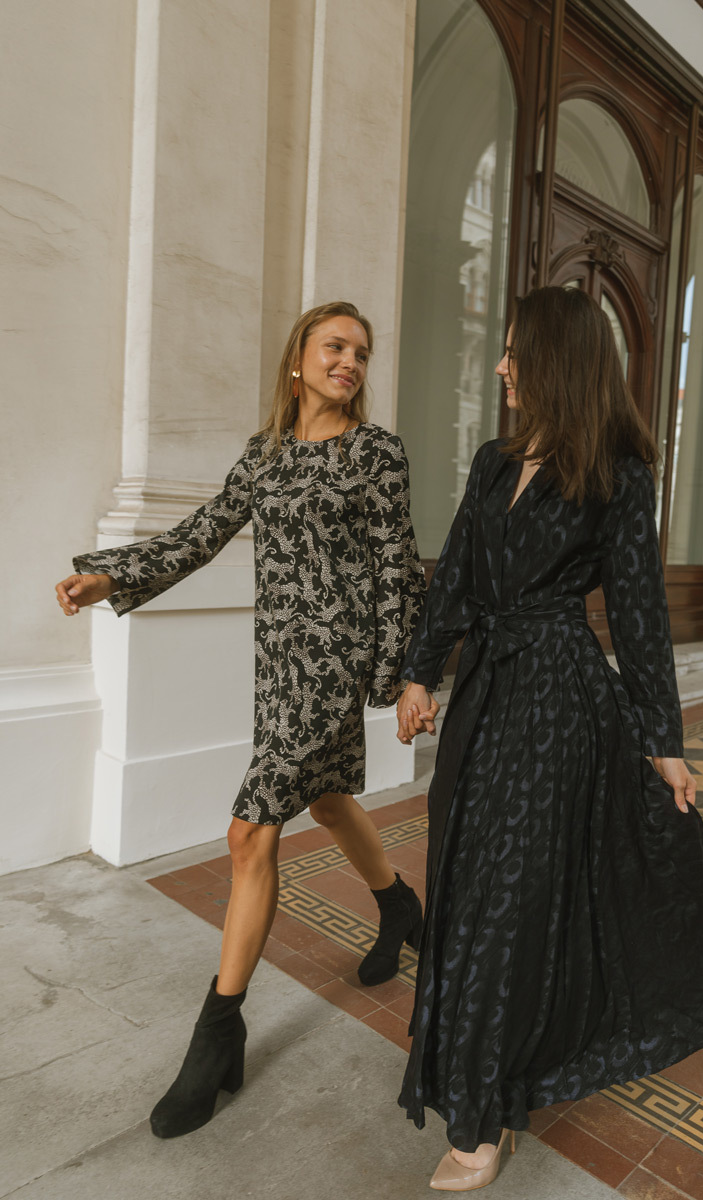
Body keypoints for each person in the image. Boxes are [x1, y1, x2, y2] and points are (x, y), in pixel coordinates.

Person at [395, 286, 703, 1191]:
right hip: (485, 698)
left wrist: (665, 740)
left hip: (559, 704)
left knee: (510, 894)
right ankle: (492, 1060)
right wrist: (421, 671)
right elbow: (453, 577)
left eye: (515, 352)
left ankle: (483, 1116)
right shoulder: (493, 463)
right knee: (462, 873)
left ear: (555, 360)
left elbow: (641, 617)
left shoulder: (615, 471)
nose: (501, 368)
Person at [55, 301, 427, 1139]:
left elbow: (400, 567)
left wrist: (410, 675)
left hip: (332, 673)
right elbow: (200, 534)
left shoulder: (377, 454)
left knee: (247, 833)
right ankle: (400, 906)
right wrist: (111, 578)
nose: (350, 363)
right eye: (335, 347)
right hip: (278, 669)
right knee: (328, 803)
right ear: (298, 358)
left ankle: (218, 1033)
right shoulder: (263, 458)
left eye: (362, 354)